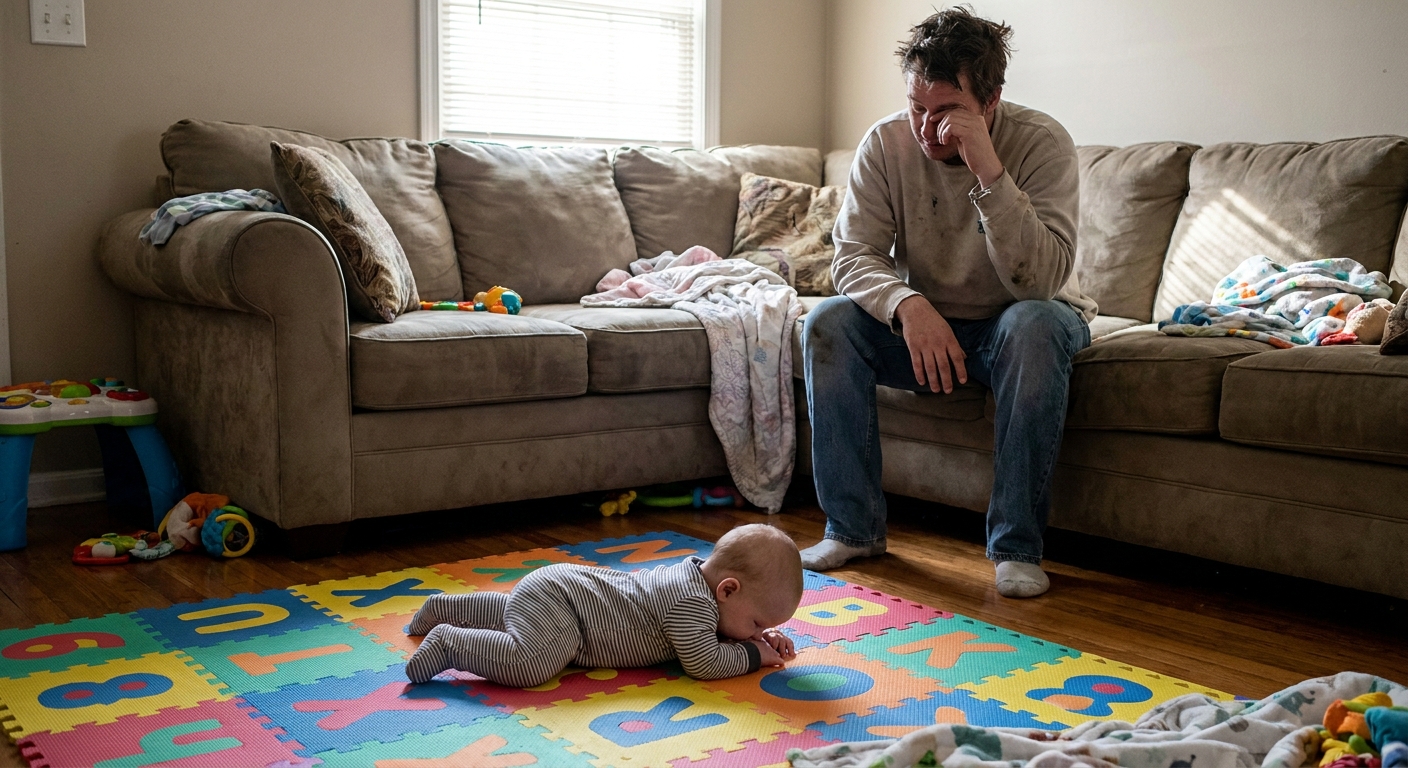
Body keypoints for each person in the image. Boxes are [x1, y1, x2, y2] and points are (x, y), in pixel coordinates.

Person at [798, 7, 1096, 598]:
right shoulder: (884, 143)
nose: (926, 129)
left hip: (1022, 325)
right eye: (917, 107)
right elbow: (852, 255)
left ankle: (1016, 547)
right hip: (927, 328)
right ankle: (853, 529)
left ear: (989, 102)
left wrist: (987, 168)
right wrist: (909, 306)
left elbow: (1038, 282)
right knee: (827, 322)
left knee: (1034, 324)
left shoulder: (1042, 143)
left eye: (946, 112)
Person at [404, 524, 802, 685]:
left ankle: (447, 605)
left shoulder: (697, 579)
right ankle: (449, 643)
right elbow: (704, 662)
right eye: (755, 621)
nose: (755, 631)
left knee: (515, 611)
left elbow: (718, 631)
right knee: (533, 661)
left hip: (557, 589)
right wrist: (754, 655)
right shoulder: (690, 605)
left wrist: (758, 635)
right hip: (570, 609)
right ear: (728, 590)